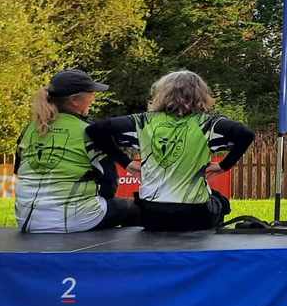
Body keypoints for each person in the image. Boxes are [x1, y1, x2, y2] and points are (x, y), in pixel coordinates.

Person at [86, 71, 254, 232]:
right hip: (194, 216)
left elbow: (95, 130)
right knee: (221, 202)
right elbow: (245, 134)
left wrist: (126, 163)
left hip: (151, 216)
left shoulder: (143, 121)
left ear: (162, 94)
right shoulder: (208, 123)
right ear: (201, 96)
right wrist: (223, 166)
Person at [15, 69, 140, 233]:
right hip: (70, 221)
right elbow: (109, 183)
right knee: (134, 208)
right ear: (74, 100)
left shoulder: (30, 128)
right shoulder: (88, 131)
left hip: (26, 220)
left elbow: (18, 170)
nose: (93, 98)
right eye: (91, 94)